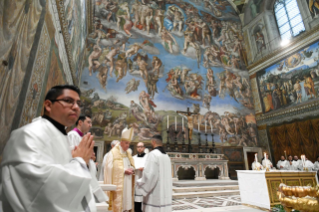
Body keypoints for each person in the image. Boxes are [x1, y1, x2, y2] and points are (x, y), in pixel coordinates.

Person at [1, 85, 99, 211]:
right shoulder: (28, 135)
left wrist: (82, 160)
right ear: (48, 105)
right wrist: (80, 162)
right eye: (68, 101)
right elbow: (39, 188)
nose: (76, 107)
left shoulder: (61, 136)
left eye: (78, 103)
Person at [68, 115, 108, 203]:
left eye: (91, 123)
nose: (90, 125)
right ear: (80, 122)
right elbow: (72, 155)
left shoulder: (84, 137)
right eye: (88, 122)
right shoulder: (72, 135)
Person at [136, 135, 172, 212]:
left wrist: (140, 182)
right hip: (165, 194)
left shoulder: (153, 154)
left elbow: (150, 175)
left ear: (153, 142)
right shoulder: (166, 156)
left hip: (155, 194)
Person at [105, 127, 135, 212]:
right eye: (126, 143)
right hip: (119, 183)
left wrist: (132, 169)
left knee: (127, 205)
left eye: (129, 143)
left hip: (128, 182)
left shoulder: (128, 153)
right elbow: (109, 167)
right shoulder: (113, 153)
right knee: (120, 205)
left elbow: (132, 164)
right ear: (121, 142)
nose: (128, 145)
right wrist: (123, 170)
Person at [133, 142, 148, 212]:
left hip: (144, 180)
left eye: (141, 146)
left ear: (144, 148)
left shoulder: (148, 157)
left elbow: (151, 168)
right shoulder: (133, 158)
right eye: (138, 147)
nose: (139, 148)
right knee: (136, 201)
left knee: (144, 201)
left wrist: (144, 169)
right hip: (135, 179)